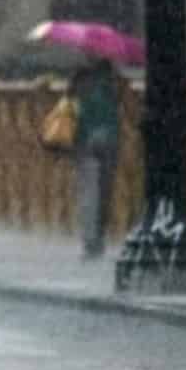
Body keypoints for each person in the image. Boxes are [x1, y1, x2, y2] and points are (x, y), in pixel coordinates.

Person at [68, 57, 124, 259]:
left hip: (86, 144)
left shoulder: (82, 81)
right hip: (108, 142)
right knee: (103, 194)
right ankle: (96, 237)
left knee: (90, 195)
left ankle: (91, 240)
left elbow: (73, 111)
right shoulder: (112, 85)